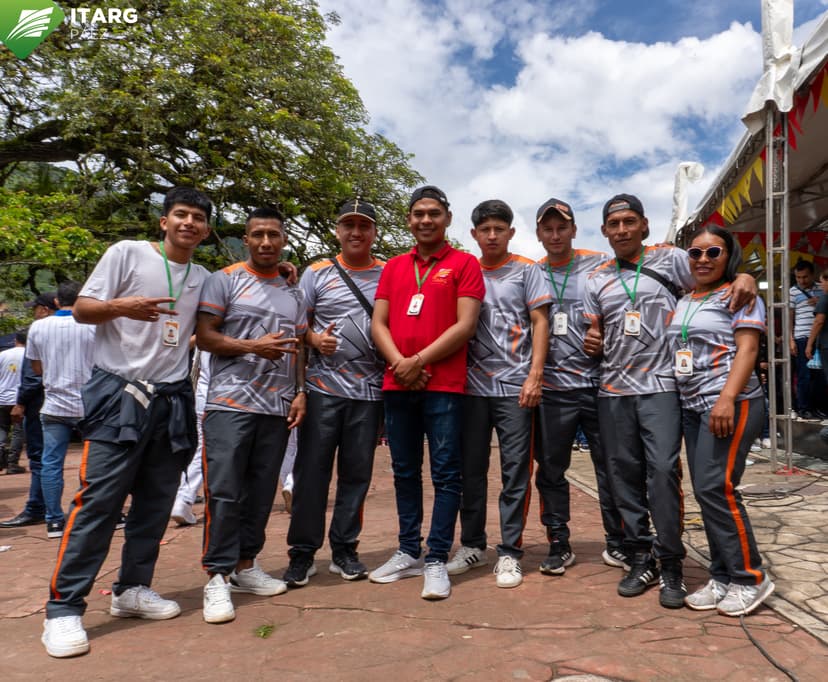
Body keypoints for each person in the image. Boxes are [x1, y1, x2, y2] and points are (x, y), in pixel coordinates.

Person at [42, 186, 212, 658]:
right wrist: (124, 306)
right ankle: (63, 609)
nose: (189, 224)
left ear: (207, 229)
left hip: (172, 399)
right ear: (164, 220)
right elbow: (82, 309)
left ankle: (132, 590)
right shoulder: (127, 253)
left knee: (155, 503)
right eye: (181, 214)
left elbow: (221, 310)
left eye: (198, 218)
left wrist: (283, 272)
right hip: (120, 391)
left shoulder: (201, 275)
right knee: (98, 501)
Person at [583, 194, 756, 609]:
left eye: (629, 222)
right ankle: (640, 556)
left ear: (643, 224)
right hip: (613, 390)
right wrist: (594, 340)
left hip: (662, 387)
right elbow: (596, 331)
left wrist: (745, 277)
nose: (622, 230)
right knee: (623, 474)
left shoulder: (673, 258)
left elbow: (713, 268)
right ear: (605, 231)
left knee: (662, 472)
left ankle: (672, 561)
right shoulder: (597, 278)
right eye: (613, 224)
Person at [369, 185, 484, 600]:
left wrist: (417, 362)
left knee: (446, 473)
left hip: (444, 386)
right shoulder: (395, 266)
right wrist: (401, 363)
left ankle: (436, 558)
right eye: (418, 213)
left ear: (447, 219)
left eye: (434, 213)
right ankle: (407, 550)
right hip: (397, 384)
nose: (425, 220)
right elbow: (378, 323)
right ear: (408, 220)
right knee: (403, 471)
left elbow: (464, 325)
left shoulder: (464, 264)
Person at [197, 206, 307, 624]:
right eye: (257, 234)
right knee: (224, 490)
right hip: (229, 403)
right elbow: (205, 337)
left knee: (263, 489)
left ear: (283, 240)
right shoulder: (223, 279)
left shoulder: (292, 290)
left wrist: (300, 392)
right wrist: (251, 347)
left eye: (273, 235)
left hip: (276, 406)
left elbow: (299, 345)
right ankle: (217, 575)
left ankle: (246, 565)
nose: (265, 242)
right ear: (246, 239)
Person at [446, 199, 549, 588]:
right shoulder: (461, 269)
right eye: (484, 229)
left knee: (515, 471)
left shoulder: (526, 271)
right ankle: (472, 545)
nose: (492, 235)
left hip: (514, 389)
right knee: (469, 471)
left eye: (498, 228)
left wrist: (534, 375)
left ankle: (509, 552)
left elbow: (540, 322)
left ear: (510, 232)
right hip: (470, 389)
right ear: (473, 234)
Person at [671, 226, 774, 616]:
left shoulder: (740, 293)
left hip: (732, 403)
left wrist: (727, 399)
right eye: (695, 253)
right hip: (694, 407)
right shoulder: (686, 297)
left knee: (719, 488)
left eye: (713, 252)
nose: (702, 260)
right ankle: (723, 574)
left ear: (728, 256)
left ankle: (750, 576)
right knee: (707, 491)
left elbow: (748, 349)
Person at [283, 199, 385, 587]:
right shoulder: (317, 273)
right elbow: (297, 327)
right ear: (337, 230)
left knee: (357, 475)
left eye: (364, 225)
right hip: (323, 389)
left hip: (370, 394)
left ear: (373, 231)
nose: (356, 232)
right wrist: (313, 338)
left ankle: (345, 549)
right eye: (349, 225)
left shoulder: (388, 273)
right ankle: (302, 553)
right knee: (311, 473)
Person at [532, 198, 626, 576]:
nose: (555, 235)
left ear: (574, 229)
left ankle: (618, 541)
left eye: (562, 228)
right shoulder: (532, 272)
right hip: (552, 389)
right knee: (551, 470)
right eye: (548, 229)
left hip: (597, 385)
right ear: (539, 234)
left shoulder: (600, 263)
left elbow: (626, 297)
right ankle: (558, 542)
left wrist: (602, 331)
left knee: (610, 467)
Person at [26, 280, 96, 539]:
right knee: (92, 463)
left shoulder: (39, 327)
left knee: (50, 463)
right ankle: (87, 513)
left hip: (54, 404)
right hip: (89, 405)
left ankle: (54, 521)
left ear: (56, 302)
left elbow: (36, 368)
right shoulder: (94, 325)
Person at [0, 295, 56, 524]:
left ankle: (38, 508)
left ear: (44, 309)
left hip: (37, 404)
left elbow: (33, 376)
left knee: (40, 458)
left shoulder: (39, 331)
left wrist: (20, 403)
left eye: (35, 309)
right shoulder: (84, 327)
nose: (34, 313)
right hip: (70, 403)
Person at [789, 259, 821, 419]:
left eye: (805, 277)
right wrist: (791, 340)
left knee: (820, 376)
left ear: (812, 275)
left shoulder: (822, 288)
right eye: (798, 277)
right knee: (804, 375)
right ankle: (804, 408)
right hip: (801, 338)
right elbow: (789, 318)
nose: (802, 281)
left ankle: (818, 407)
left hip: (821, 338)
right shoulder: (793, 292)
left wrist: (821, 302)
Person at [0, 333, 25, 473]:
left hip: (2, 398)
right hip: (19, 400)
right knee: (18, 431)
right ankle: (12, 463)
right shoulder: (29, 355)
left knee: (1, 428)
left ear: (16, 341)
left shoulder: (3, 355)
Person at [805, 267, 828, 391]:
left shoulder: (825, 298)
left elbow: (819, 321)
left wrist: (809, 344)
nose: (821, 286)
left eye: (822, 282)